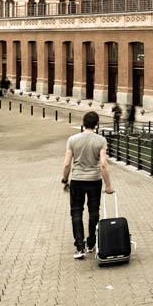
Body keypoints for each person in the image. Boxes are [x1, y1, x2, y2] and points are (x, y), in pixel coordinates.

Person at [61, 111, 114, 259]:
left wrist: (65, 180)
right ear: (97, 124)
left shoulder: (72, 140)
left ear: (83, 123)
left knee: (76, 212)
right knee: (93, 211)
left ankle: (80, 247)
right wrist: (108, 186)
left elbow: (67, 164)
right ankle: (91, 243)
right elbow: (103, 165)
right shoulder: (101, 140)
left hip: (77, 180)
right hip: (94, 180)